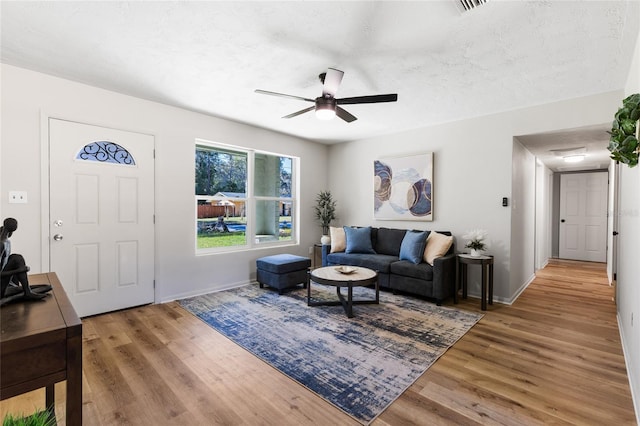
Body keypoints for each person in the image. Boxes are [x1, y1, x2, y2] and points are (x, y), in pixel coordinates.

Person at [1, 217, 50, 304]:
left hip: (6, 282)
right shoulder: (1, 244)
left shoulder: (6, 240)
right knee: (17, 258)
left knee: (47, 287)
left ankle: (26, 291)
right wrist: (18, 271)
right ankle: (25, 293)